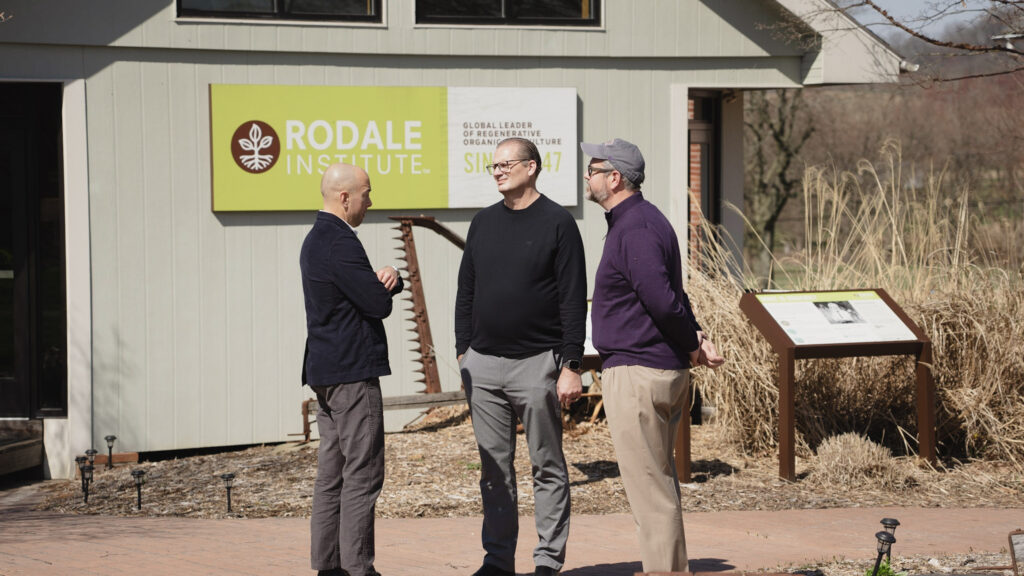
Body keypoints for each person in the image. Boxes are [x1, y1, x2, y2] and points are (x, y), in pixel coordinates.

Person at [580, 138, 725, 574]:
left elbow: (662, 301)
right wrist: (695, 337)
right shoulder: (643, 221)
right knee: (657, 485)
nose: (586, 176)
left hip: (639, 373)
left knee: (650, 491)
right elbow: (672, 295)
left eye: (593, 168)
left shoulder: (636, 227)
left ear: (615, 177)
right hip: (653, 368)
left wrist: (690, 342)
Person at [455, 137, 587, 576]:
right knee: (494, 471)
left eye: (505, 164)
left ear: (530, 168)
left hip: (537, 364)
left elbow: (572, 299)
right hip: (484, 365)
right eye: (493, 165)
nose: (496, 171)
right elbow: (466, 291)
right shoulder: (482, 223)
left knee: (547, 466)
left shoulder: (558, 223)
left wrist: (571, 366)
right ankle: (497, 562)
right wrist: (463, 353)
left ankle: (548, 561)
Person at [300, 163, 403, 576]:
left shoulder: (313, 239)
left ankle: (328, 566)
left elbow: (353, 295)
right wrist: (389, 281)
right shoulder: (341, 242)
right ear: (345, 197)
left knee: (332, 475)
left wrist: (375, 282)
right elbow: (376, 305)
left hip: (324, 372)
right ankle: (359, 568)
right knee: (362, 474)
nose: (370, 201)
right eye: (366, 193)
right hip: (352, 374)